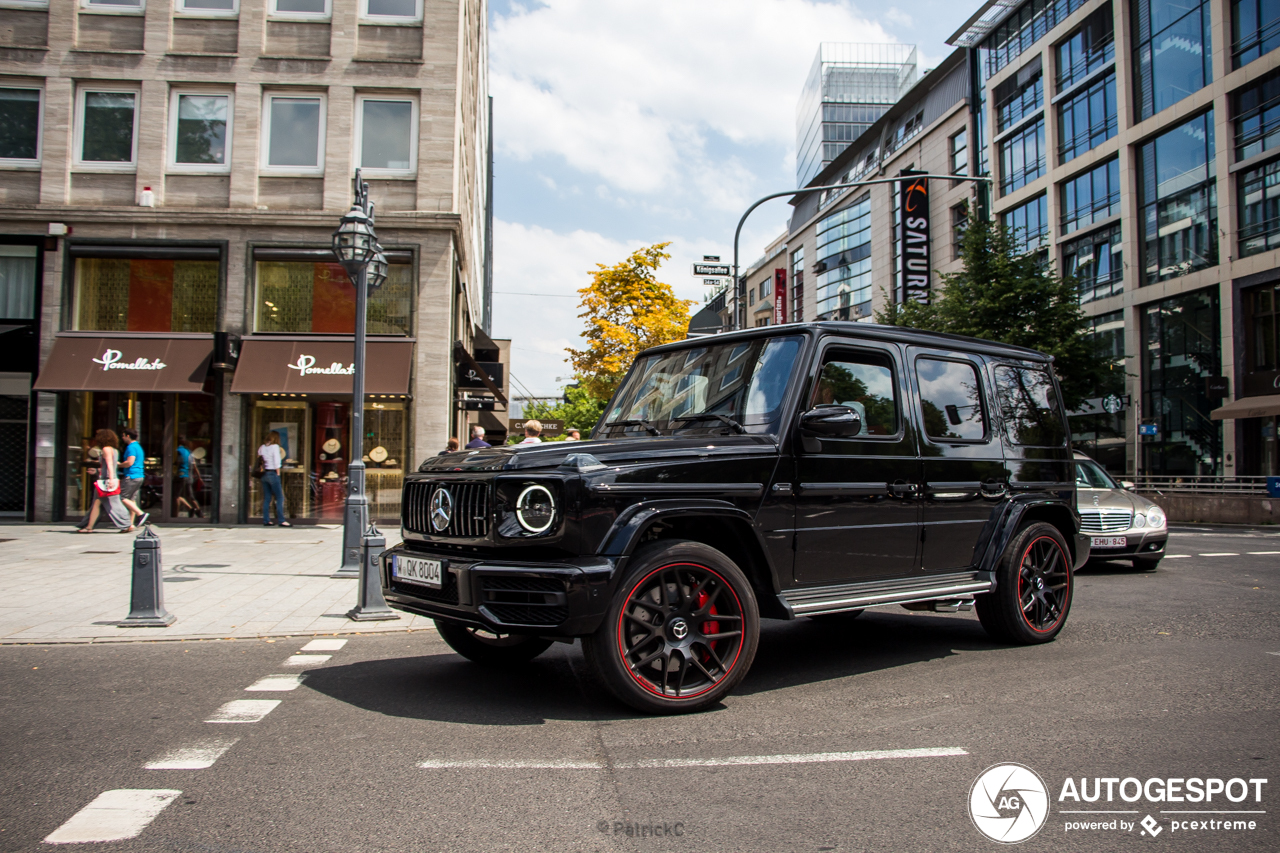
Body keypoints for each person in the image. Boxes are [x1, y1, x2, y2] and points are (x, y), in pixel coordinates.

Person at [77, 429, 134, 533]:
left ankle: (126, 524)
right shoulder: (114, 450)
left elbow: (109, 465)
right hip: (108, 479)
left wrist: (111, 479)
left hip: (106, 481)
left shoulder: (106, 449)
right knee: (97, 503)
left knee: (113, 503)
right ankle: (88, 526)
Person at [258, 430, 290, 527]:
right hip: (272, 473)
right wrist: (278, 474)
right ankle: (281, 520)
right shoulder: (275, 447)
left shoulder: (262, 447)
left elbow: (259, 458)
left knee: (267, 498)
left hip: (263, 474)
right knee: (280, 497)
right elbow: (277, 462)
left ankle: (266, 520)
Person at [118, 428, 149, 528]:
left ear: (128, 436)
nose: (122, 438)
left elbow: (129, 462)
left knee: (123, 498)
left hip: (131, 476)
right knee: (131, 500)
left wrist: (118, 465)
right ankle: (130, 524)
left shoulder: (131, 447)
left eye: (123, 435)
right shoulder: (138, 447)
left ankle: (141, 514)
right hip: (139, 476)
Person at [174, 435, 202, 518]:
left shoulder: (178, 450)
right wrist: (199, 477)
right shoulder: (189, 451)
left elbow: (178, 462)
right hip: (189, 476)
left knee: (175, 496)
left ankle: (174, 516)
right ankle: (199, 513)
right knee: (189, 496)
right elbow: (194, 465)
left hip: (181, 475)